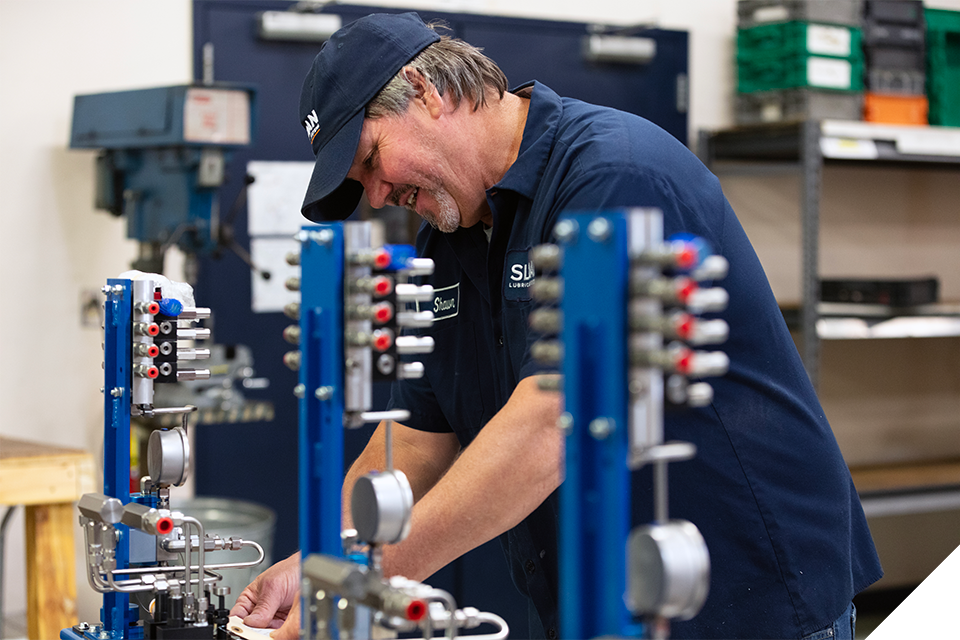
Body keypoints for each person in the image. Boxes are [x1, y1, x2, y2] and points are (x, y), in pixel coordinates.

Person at [231, 12, 882, 640]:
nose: (376, 195)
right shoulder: (446, 245)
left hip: (744, 594)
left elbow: (554, 422)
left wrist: (365, 578)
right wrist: (321, 560)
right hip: (599, 600)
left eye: (372, 159)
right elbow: (416, 441)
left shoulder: (613, 175)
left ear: (426, 93)